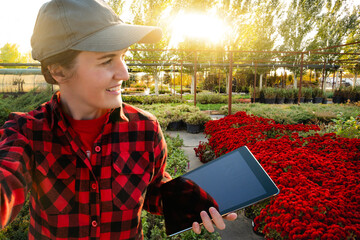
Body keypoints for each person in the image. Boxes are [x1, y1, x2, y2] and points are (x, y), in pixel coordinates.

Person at [0, 0, 237, 239]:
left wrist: (182, 199)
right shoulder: (26, 133)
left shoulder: (146, 129)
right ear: (58, 70)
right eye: (106, 61)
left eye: (123, 56)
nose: (124, 73)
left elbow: (152, 188)